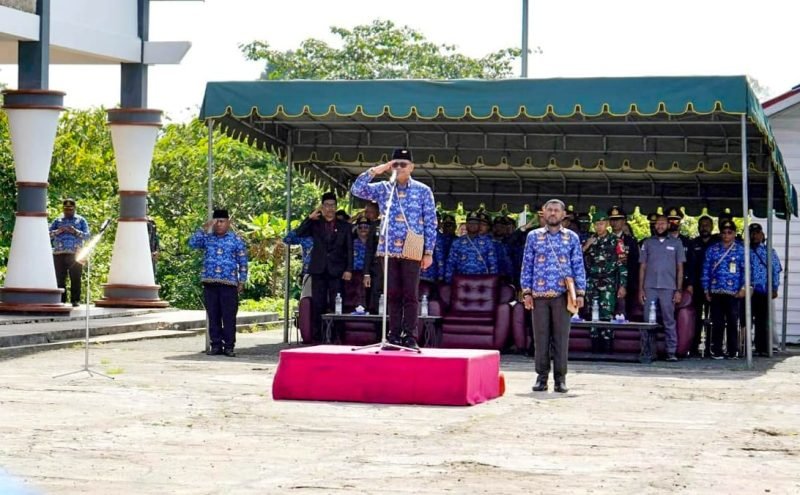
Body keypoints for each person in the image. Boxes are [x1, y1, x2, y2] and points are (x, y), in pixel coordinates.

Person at [350, 148, 437, 350]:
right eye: (395, 164)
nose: (399, 168)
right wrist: (376, 170)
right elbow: (357, 189)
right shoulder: (384, 188)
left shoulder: (423, 190)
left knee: (410, 294)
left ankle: (410, 335)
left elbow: (431, 222)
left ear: (412, 167)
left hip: (412, 245)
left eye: (403, 164)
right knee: (392, 293)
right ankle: (394, 334)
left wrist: (429, 251)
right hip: (388, 247)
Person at [521, 199, 586, 393]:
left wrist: (580, 293)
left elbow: (578, 265)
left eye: (556, 210)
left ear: (563, 214)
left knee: (561, 338)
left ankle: (560, 378)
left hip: (562, 294)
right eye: (549, 210)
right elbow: (527, 265)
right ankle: (541, 377)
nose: (552, 213)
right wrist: (526, 292)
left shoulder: (571, 237)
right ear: (543, 213)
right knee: (540, 338)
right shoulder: (533, 236)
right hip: (539, 294)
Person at [295, 192, 353, 344]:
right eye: (326, 206)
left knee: (337, 304)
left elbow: (349, 250)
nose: (329, 209)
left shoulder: (345, 226)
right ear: (322, 207)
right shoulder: (315, 224)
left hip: (337, 271)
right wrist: (309, 218)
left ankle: (337, 337)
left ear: (336, 207)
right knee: (318, 304)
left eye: (332, 205)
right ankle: (317, 337)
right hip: (318, 269)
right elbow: (298, 234)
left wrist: (348, 269)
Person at [188, 209, 248, 357]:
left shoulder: (236, 240)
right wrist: (204, 227)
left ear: (228, 222)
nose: (219, 225)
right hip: (210, 282)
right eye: (217, 222)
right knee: (213, 316)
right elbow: (192, 243)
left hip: (229, 283)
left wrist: (242, 280)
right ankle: (216, 345)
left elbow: (243, 261)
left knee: (228, 317)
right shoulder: (208, 238)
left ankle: (229, 346)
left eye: (222, 221)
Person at [639, 214, 685, 362]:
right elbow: (643, 266)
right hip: (650, 287)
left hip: (668, 287)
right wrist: (641, 289)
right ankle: (647, 351)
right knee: (648, 322)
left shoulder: (677, 243)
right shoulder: (647, 242)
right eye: (657, 223)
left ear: (668, 225)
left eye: (663, 223)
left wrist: (678, 290)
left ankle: (671, 351)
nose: (660, 226)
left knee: (669, 320)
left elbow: (680, 268)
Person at [582, 211, 627, 353]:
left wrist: (622, 285)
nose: (599, 227)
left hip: (608, 281)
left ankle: (607, 347)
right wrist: (586, 246)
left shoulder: (616, 241)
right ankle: (595, 346)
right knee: (592, 314)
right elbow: (576, 259)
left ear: (607, 224)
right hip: (592, 282)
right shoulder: (589, 240)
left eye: (601, 224)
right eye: (596, 224)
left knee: (606, 315)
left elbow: (622, 265)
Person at [701, 219, 745, 359]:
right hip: (716, 291)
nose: (726, 235)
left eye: (729, 232)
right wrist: (706, 289)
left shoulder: (741, 250)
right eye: (724, 232)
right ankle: (717, 350)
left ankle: (733, 350)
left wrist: (744, 288)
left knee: (733, 321)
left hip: (733, 292)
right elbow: (706, 270)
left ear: (734, 234)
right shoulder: (712, 249)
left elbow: (746, 271)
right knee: (717, 322)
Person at [748, 223, 782, 357]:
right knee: (747, 319)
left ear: (762, 235)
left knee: (762, 320)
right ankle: (746, 346)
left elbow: (776, 270)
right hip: (748, 290)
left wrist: (774, 287)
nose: (754, 235)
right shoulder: (745, 250)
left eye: (757, 233)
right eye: (752, 233)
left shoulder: (769, 251)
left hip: (763, 290)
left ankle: (762, 347)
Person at [49, 198, 91, 307]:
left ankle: (75, 300)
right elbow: (47, 234)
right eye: (66, 209)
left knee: (75, 277)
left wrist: (75, 231)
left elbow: (87, 236)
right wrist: (58, 231)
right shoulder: (57, 221)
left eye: (70, 209)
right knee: (60, 278)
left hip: (75, 253)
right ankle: (61, 300)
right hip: (59, 252)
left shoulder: (81, 220)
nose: (68, 211)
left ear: (74, 209)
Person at [688, 215, 717, 356]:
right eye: (702, 225)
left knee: (713, 318)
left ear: (712, 227)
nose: (704, 227)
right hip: (697, 286)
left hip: (714, 286)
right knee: (696, 318)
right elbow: (690, 266)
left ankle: (710, 347)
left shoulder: (717, 243)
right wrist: (690, 284)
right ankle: (694, 346)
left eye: (707, 225)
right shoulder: (693, 243)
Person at [444, 211, 498, 283]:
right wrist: (448, 282)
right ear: (466, 224)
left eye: (475, 223)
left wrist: (493, 283)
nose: (472, 225)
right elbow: (450, 263)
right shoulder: (457, 242)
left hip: (482, 281)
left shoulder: (487, 242)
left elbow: (493, 264)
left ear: (479, 225)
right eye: (470, 223)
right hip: (462, 281)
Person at [607, 206, 639, 318]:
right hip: (607, 283)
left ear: (624, 221)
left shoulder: (631, 241)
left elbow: (635, 264)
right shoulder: (604, 239)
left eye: (618, 219)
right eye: (612, 220)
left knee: (625, 316)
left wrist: (629, 284)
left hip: (627, 284)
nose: (615, 222)